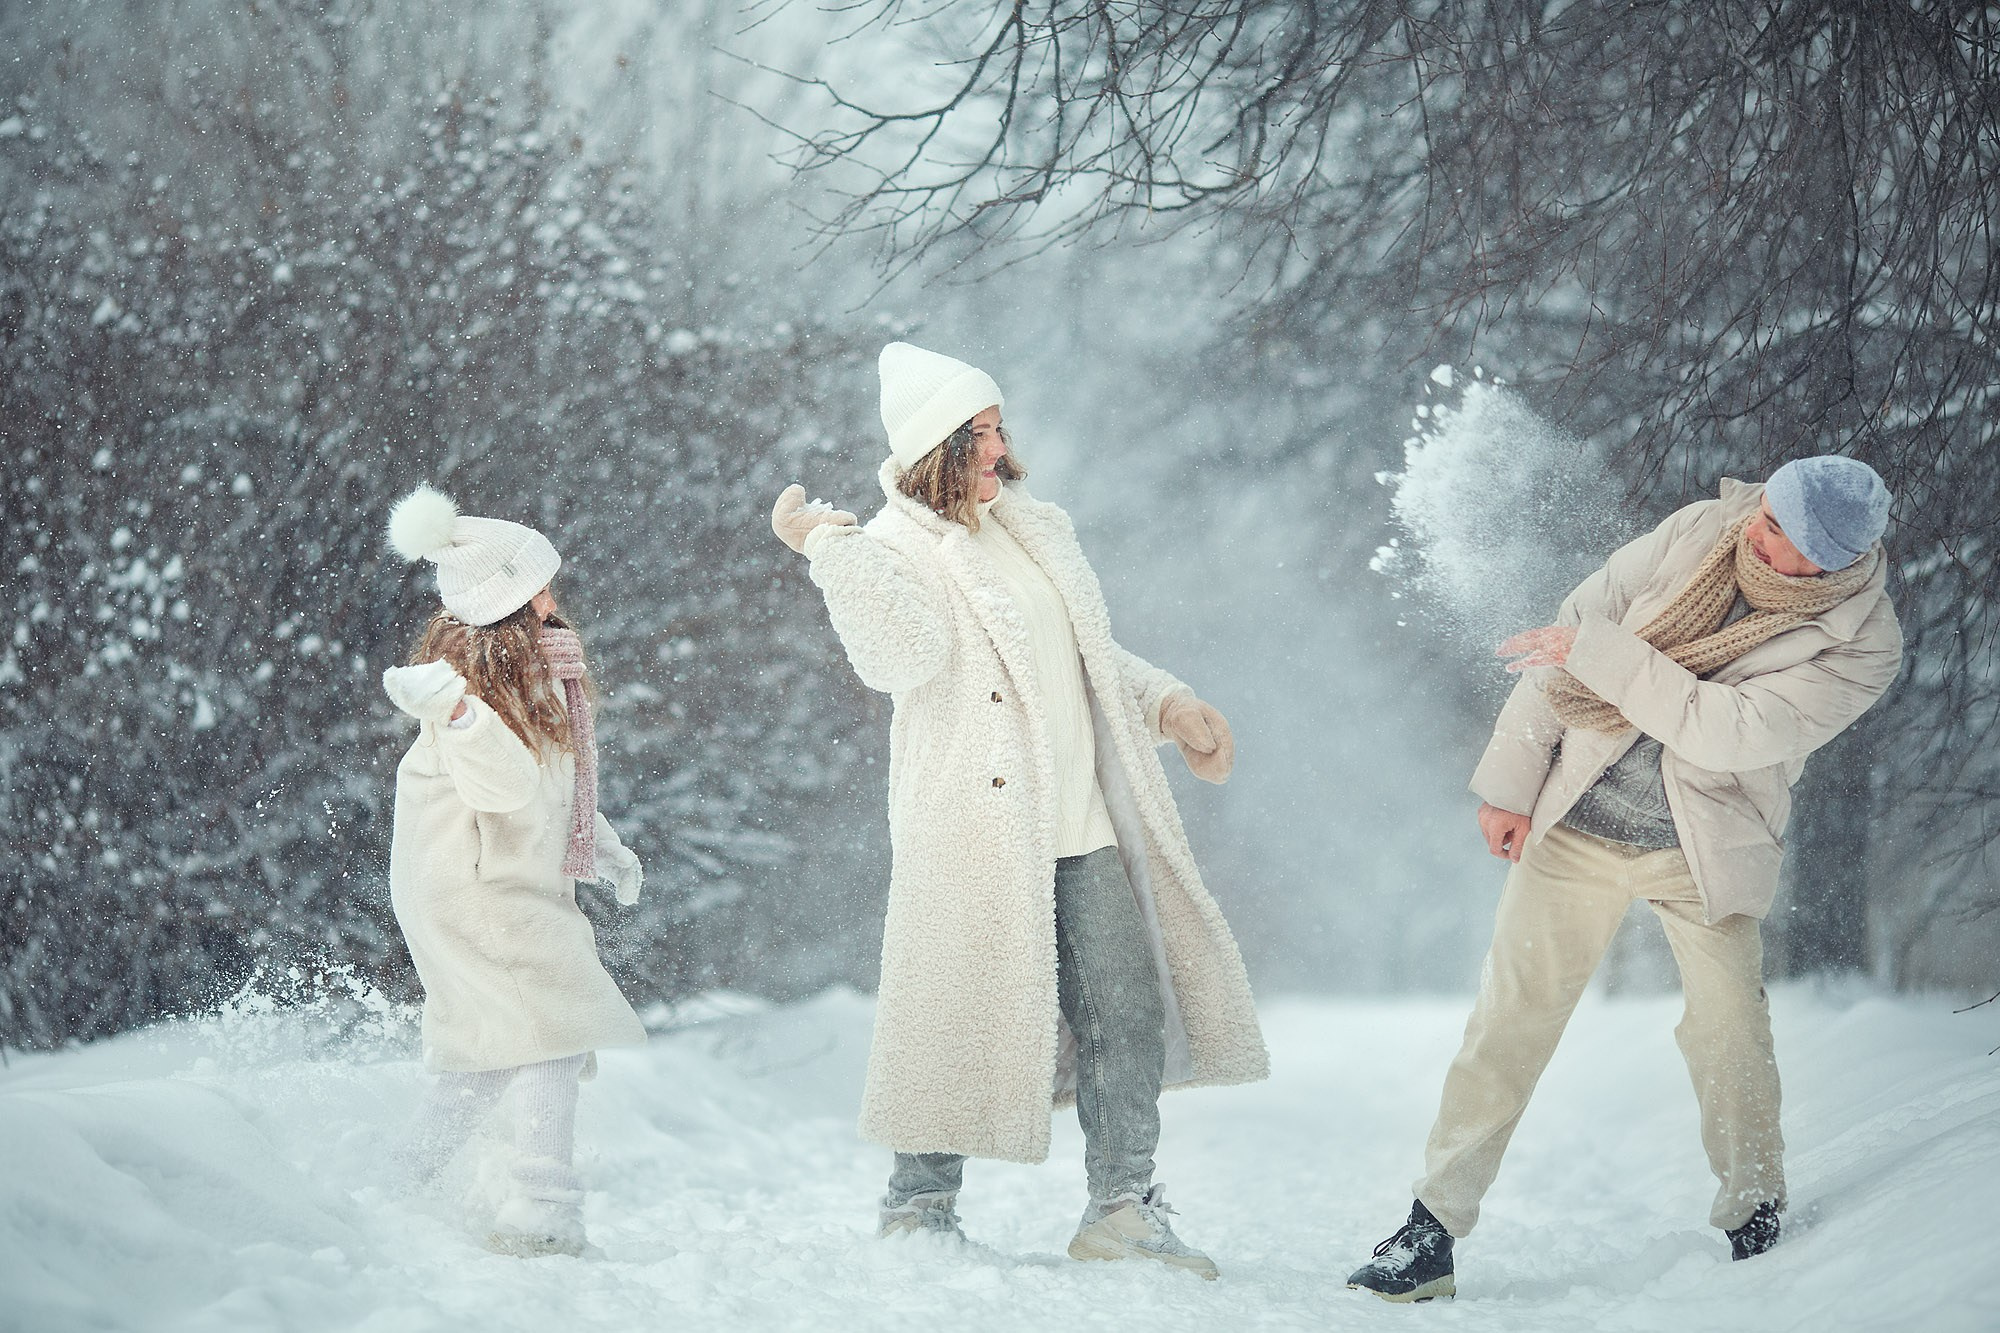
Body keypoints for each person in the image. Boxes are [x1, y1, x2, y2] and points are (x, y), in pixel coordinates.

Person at [1348, 456, 1902, 1303]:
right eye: (1764, 513)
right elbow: (1564, 638)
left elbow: (1721, 732)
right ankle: (1429, 1230)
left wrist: (1604, 655)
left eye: (1780, 532)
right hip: (1577, 819)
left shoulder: (1862, 645)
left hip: (1703, 849)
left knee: (1730, 1034)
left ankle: (1755, 1217)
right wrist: (1509, 784)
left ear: (1828, 562)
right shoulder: (1701, 533)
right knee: (1508, 1022)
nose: (1755, 528)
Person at [770, 342, 1268, 1278]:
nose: (1002, 448)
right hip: (974, 825)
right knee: (950, 1006)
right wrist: (833, 551)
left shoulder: (1035, 531)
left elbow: (1084, 658)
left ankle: (1121, 1208)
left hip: (1079, 819)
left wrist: (1167, 703)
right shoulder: (892, 547)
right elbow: (899, 658)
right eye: (983, 433)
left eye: (1002, 428)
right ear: (939, 447)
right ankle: (918, 1208)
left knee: (1125, 1008)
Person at [380, 484, 647, 1258]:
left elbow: (554, 788)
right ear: (508, 599)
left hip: (500, 882)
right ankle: (542, 1204)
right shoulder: (464, 696)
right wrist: (457, 716)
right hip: (472, 888)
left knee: (499, 1046)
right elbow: (502, 786)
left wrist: (602, 844)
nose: (554, 595)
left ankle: (397, 1178)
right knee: (552, 1025)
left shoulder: (538, 680)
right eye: (540, 584)